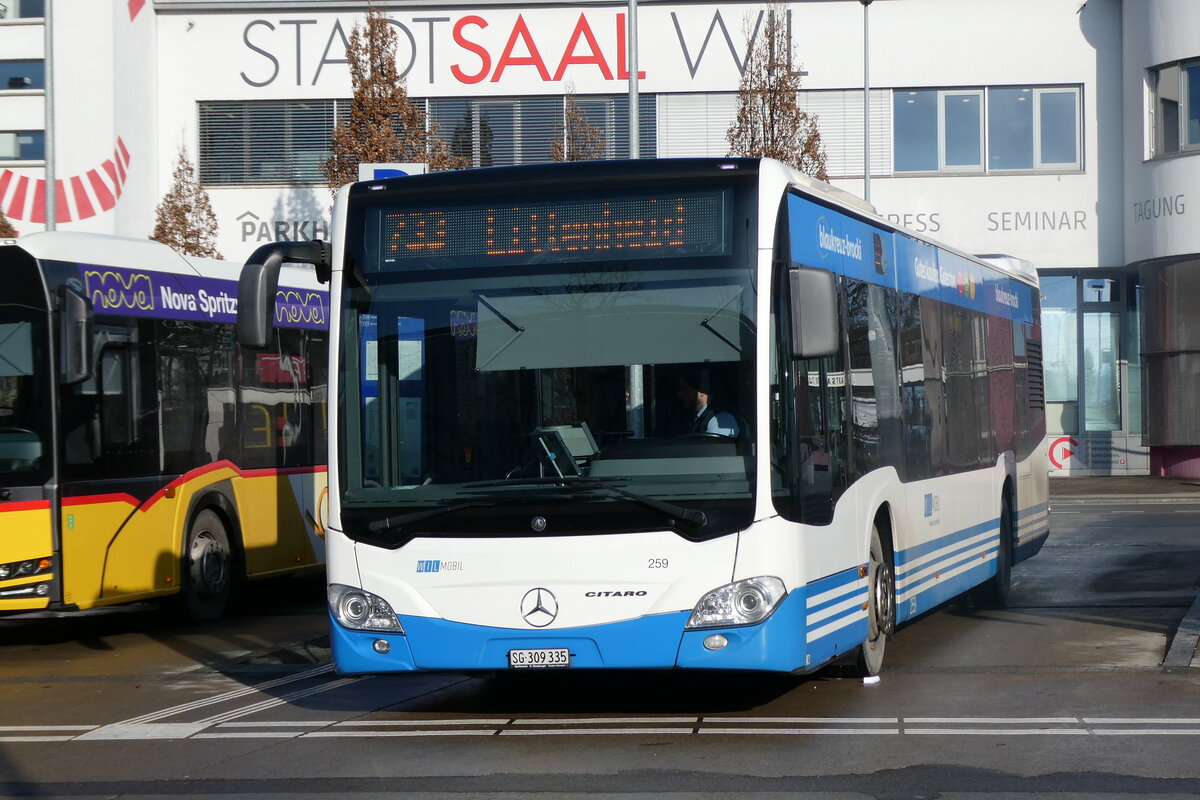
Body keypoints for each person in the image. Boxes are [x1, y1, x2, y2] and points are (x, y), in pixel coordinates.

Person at [677, 368, 740, 439]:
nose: (680, 394)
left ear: (702, 390)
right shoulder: (694, 417)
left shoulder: (722, 419)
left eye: (684, 389)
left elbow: (717, 446)